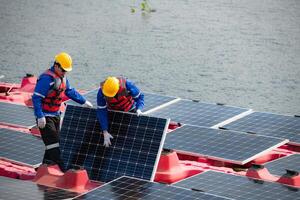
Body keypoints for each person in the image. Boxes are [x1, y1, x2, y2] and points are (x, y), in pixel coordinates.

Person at [32, 52, 93, 172]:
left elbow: (70, 91)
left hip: (56, 115)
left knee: (53, 142)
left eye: (66, 71)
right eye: (63, 70)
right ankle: (64, 169)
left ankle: (45, 165)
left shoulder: (63, 77)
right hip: (45, 117)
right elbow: (36, 98)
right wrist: (40, 116)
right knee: (54, 143)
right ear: (56, 66)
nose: (65, 72)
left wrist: (83, 101)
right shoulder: (46, 79)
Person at [97, 76, 144, 147]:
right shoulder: (102, 91)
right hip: (113, 112)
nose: (110, 97)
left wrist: (139, 108)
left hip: (129, 110)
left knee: (130, 138)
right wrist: (105, 131)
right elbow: (101, 110)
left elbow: (140, 97)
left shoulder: (128, 85)